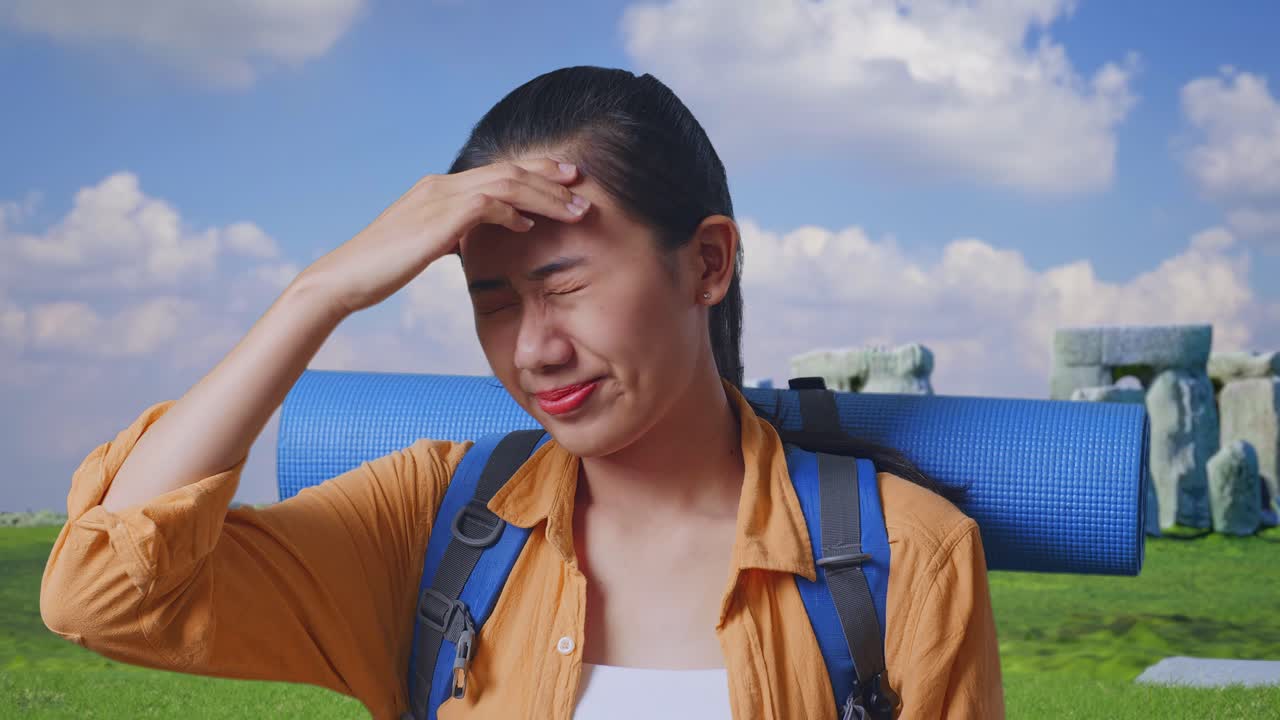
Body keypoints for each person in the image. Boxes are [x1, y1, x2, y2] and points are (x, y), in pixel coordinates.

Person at [40, 66, 1004, 719]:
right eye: (493, 302)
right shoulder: (431, 524)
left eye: (566, 285)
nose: (535, 350)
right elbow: (101, 596)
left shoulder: (904, 559)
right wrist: (319, 293)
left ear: (707, 264)